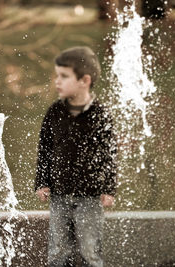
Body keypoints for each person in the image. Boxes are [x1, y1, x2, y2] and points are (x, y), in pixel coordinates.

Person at [34, 46, 117, 267]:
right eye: (56, 75)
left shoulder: (100, 114)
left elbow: (109, 154)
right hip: (59, 194)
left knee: (90, 251)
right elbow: (45, 149)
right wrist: (42, 182)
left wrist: (108, 188)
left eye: (64, 76)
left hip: (90, 196)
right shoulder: (54, 112)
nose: (57, 81)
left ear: (84, 80)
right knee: (59, 250)